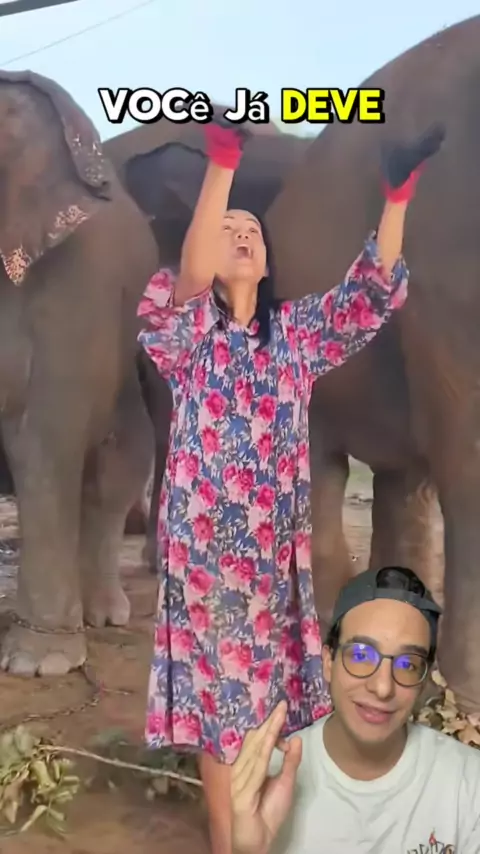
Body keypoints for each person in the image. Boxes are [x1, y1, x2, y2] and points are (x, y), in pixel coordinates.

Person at [136, 118, 444, 854]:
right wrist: (223, 162)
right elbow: (191, 278)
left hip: (279, 567)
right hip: (209, 566)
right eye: (228, 228)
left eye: (253, 231)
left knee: (275, 713)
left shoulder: (295, 338)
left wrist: (397, 196)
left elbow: (370, 294)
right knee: (226, 717)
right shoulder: (187, 336)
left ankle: (258, 836)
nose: (243, 235)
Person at [231, 565, 480, 854]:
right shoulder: (270, 777)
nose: (382, 687)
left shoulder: (467, 783)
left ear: (423, 681)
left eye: (407, 664)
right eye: (361, 656)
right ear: (328, 662)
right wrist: (247, 851)